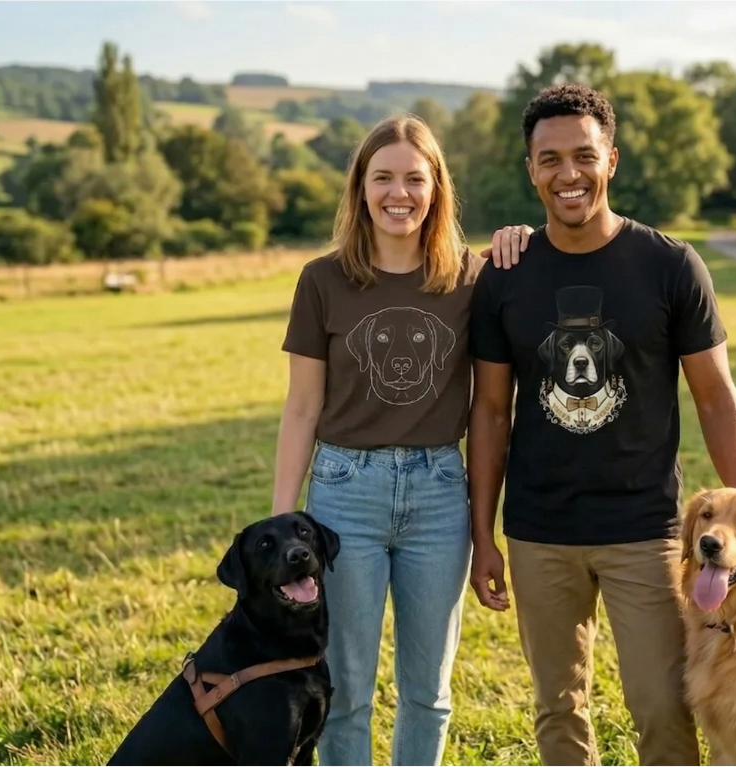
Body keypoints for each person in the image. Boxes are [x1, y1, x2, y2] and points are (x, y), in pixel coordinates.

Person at [467, 84, 736, 766]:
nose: (567, 174)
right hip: (539, 529)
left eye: (582, 155)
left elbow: (714, 395)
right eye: (549, 159)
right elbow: (488, 410)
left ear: (611, 160)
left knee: (660, 704)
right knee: (556, 706)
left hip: (644, 528)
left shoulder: (669, 265)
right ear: (530, 168)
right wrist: (482, 533)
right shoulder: (504, 274)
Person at [270, 114, 527, 766]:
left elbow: (496, 396)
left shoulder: (472, 278)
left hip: (439, 493)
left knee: (428, 692)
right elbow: (301, 408)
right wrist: (281, 520)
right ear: (360, 188)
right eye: (381, 177)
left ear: (437, 188)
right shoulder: (321, 280)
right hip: (341, 495)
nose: (398, 193)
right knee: (346, 690)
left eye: (415, 178)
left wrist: (526, 237)